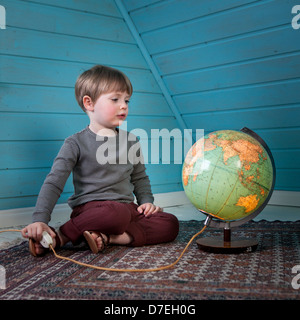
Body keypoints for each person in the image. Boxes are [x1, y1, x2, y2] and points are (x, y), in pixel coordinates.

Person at [21, 65, 179, 256]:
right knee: (115, 213)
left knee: (170, 223)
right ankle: (61, 235)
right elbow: (54, 183)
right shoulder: (75, 143)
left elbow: (140, 178)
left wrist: (146, 202)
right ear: (89, 103)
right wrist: (40, 219)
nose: (124, 106)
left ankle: (108, 238)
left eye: (127, 100)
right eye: (115, 99)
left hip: (127, 210)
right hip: (94, 210)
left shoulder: (131, 141)